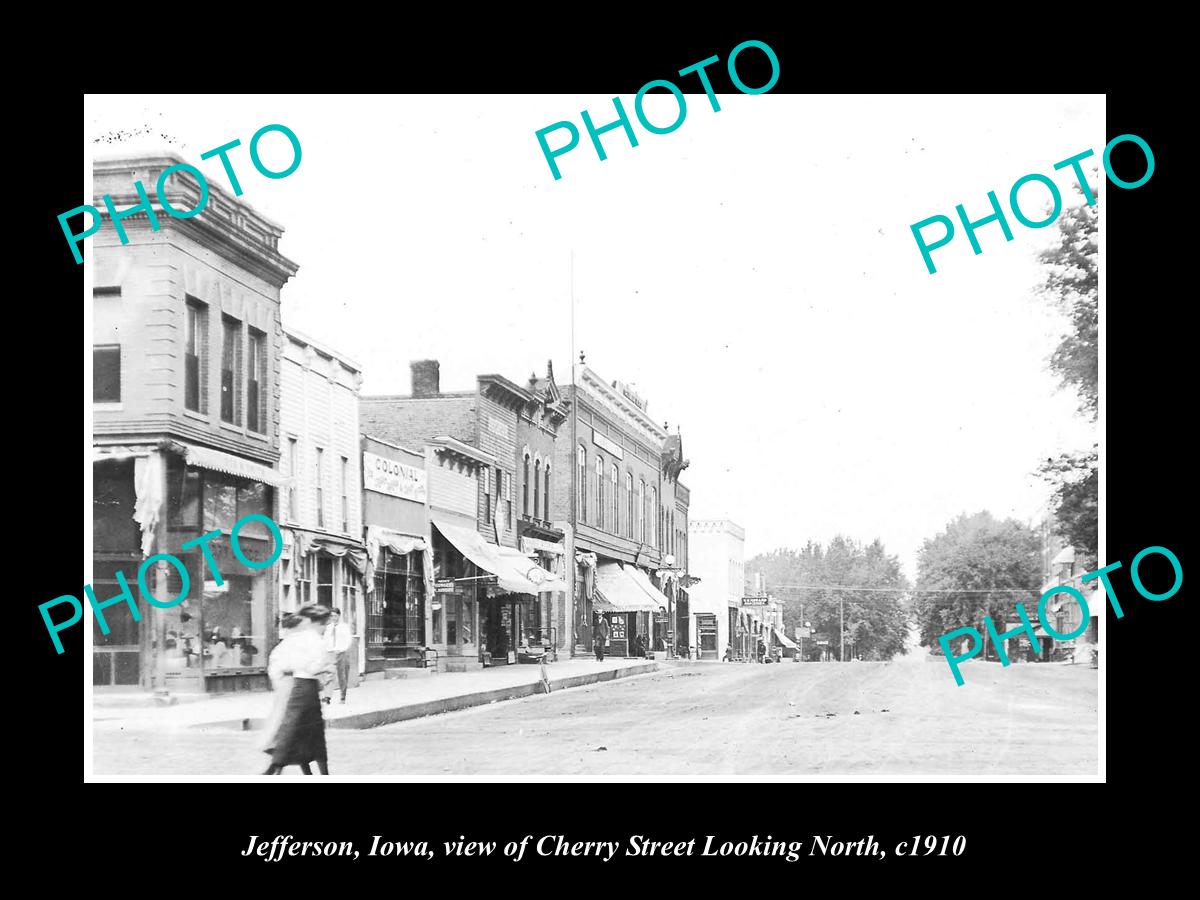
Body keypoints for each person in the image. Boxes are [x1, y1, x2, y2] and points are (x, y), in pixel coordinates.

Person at [262, 605, 333, 775]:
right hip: (307, 688)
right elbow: (311, 667)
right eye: (323, 625)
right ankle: (321, 773)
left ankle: (279, 769)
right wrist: (326, 668)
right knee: (306, 731)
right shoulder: (315, 640)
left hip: (299, 686)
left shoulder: (297, 638)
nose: (324, 629)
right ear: (317, 623)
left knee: (294, 728)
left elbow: (279, 658)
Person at [324, 607, 354, 704]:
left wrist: (341, 649)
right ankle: (327, 697)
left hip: (341, 653)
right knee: (329, 675)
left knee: (342, 675)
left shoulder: (344, 627)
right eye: (332, 616)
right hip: (331, 653)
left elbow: (348, 641)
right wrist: (327, 650)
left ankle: (342, 697)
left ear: (339, 616)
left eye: (335, 616)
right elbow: (325, 640)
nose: (333, 618)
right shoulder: (328, 628)